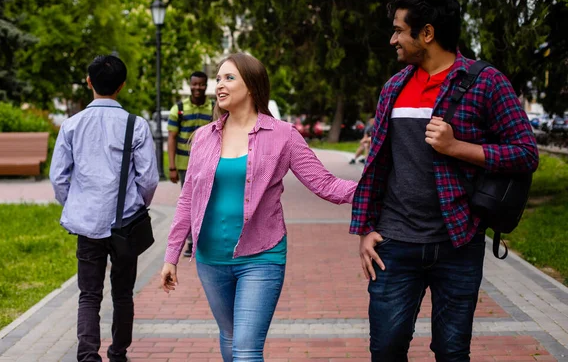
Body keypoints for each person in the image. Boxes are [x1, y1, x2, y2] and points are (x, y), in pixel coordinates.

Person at [350, 0, 538, 361]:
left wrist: (458, 148)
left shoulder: (486, 82)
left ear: (427, 33)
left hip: (459, 241)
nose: (393, 39)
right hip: (395, 244)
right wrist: (366, 229)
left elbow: (525, 153)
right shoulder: (394, 87)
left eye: (399, 30)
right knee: (385, 349)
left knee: (452, 352)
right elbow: (380, 165)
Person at [160, 52, 357, 362]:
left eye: (229, 78)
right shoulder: (202, 138)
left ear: (251, 85)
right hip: (210, 258)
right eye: (218, 79)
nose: (219, 86)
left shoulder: (283, 136)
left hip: (262, 256)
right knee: (229, 336)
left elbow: (325, 184)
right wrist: (171, 256)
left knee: (247, 348)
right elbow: (188, 199)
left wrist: (375, 191)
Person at [50, 55, 159, 362]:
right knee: (123, 294)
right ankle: (118, 352)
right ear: (122, 86)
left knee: (89, 295)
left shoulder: (71, 125)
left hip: (87, 225)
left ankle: (87, 356)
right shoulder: (136, 126)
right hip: (125, 224)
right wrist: (136, 206)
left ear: (89, 82)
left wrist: (75, 205)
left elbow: (59, 177)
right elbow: (149, 179)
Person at [167, 71, 214, 257]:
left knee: (209, 199)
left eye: (201, 84)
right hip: (184, 164)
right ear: (190, 84)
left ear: (206, 85)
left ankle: (205, 238)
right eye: (194, 84)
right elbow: (171, 138)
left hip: (209, 163)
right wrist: (171, 166)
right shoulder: (178, 109)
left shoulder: (214, 107)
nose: (198, 88)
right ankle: (190, 242)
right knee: (190, 202)